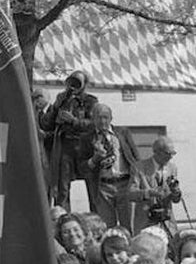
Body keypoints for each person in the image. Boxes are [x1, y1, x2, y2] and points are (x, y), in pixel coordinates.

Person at [39, 70, 98, 209]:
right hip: (65, 145)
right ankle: (63, 218)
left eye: (77, 82)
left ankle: (95, 217)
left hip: (84, 146)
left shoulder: (91, 101)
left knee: (92, 187)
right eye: (71, 81)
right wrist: (55, 107)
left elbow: (94, 124)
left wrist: (74, 121)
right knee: (62, 187)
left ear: (84, 84)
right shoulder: (62, 99)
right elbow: (46, 124)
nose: (73, 85)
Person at [80, 104, 140, 227]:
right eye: (99, 118)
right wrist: (95, 159)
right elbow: (82, 167)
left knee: (129, 224)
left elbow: (136, 158)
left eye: (105, 117)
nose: (102, 121)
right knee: (107, 226)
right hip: (103, 187)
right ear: (93, 119)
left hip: (124, 184)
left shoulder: (123, 133)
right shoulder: (86, 138)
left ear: (111, 118)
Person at [131, 136, 183, 234]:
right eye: (168, 153)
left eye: (173, 153)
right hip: (146, 220)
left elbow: (176, 200)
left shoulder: (172, 168)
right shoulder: (139, 167)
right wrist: (149, 193)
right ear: (157, 152)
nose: (171, 156)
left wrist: (176, 193)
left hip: (167, 221)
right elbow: (131, 194)